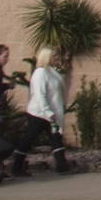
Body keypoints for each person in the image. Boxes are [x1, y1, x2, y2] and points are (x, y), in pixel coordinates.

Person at [11, 47, 68, 176]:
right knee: (29, 139)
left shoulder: (52, 72)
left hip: (50, 114)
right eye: (53, 57)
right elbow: (39, 95)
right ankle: (16, 167)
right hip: (38, 114)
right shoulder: (40, 73)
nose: (56, 59)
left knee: (56, 138)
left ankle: (62, 166)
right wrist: (48, 112)